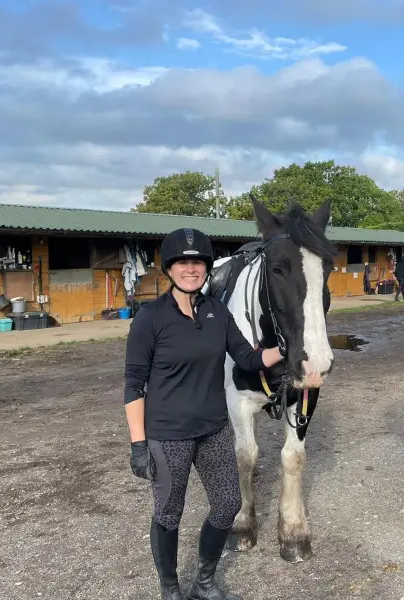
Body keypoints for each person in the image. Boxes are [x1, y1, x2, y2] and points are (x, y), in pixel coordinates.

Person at [124, 227, 290, 600]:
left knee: (228, 503)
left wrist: (287, 349)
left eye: (197, 262)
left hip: (214, 429)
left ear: (206, 268)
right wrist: (138, 444)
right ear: (169, 268)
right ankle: (170, 588)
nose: (191, 268)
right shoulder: (150, 318)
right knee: (169, 512)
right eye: (183, 262)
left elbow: (248, 358)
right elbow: (134, 383)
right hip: (169, 434)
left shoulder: (217, 310)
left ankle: (203, 583)